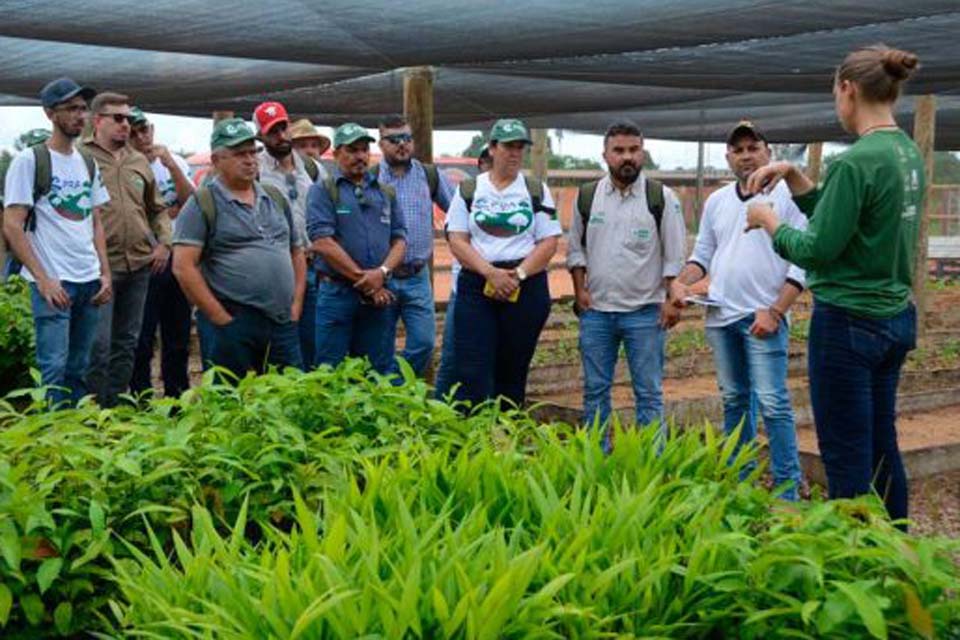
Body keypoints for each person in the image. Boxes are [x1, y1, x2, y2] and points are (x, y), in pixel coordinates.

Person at [745, 46, 924, 523]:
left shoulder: (855, 161)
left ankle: (854, 555)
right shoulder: (906, 152)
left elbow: (816, 249)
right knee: (881, 445)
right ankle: (895, 546)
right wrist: (795, 176)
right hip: (893, 316)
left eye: (835, 94)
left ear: (848, 89)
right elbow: (847, 218)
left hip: (848, 324)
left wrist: (767, 220)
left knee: (846, 458)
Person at [671, 121, 805, 500]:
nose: (746, 156)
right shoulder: (717, 201)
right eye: (738, 150)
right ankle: (740, 481)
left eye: (753, 148)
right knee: (734, 399)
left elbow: (802, 261)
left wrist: (776, 311)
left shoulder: (790, 198)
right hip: (721, 316)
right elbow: (703, 255)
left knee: (773, 403)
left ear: (768, 153)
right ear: (728, 157)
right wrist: (681, 282)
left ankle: (787, 490)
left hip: (764, 316)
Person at [566, 121, 685, 439]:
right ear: (605, 155)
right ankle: (596, 455)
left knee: (648, 394)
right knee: (594, 391)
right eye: (618, 150)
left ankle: (651, 459)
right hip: (597, 314)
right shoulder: (587, 197)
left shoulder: (660, 198)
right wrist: (580, 291)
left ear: (643, 153)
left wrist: (672, 301)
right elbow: (575, 250)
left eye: (634, 149)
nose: (627, 157)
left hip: (645, 314)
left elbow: (674, 257)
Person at [2, 78, 112, 406]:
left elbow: (95, 220)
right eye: (71, 109)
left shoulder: (87, 162)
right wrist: (43, 278)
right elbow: (12, 225)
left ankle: (73, 428)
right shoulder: (30, 160)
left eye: (83, 109)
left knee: (79, 367)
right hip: (55, 282)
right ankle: (52, 431)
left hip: (88, 279)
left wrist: (104, 272)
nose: (80, 116)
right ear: (50, 113)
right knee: (54, 367)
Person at [172, 118, 306, 377]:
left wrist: (296, 306)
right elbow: (183, 266)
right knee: (230, 395)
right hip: (233, 320)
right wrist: (219, 317)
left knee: (290, 393)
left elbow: (296, 251)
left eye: (252, 152)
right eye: (239, 154)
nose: (249, 160)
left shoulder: (274, 197)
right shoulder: (203, 202)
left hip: (281, 322)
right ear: (216, 160)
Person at [447, 118, 560, 407]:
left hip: (524, 283)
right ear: (492, 148)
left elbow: (548, 241)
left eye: (520, 147)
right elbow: (457, 239)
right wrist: (489, 273)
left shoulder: (536, 190)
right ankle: (472, 427)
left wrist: (517, 275)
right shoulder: (470, 189)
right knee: (471, 367)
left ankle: (508, 426)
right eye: (509, 146)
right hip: (478, 283)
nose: (515, 153)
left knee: (513, 368)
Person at [82, 92, 170, 407]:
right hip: (99, 267)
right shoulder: (82, 157)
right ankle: (93, 414)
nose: (126, 125)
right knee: (98, 346)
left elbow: (157, 209)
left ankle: (117, 411)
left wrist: (164, 242)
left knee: (127, 343)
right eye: (118, 118)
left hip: (139, 266)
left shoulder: (138, 161)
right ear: (98, 121)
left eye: (128, 119)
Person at [306, 123, 406, 374]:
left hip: (379, 297)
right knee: (330, 371)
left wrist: (382, 273)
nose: (360, 156)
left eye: (364, 150)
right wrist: (367, 282)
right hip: (337, 294)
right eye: (352, 150)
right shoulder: (323, 191)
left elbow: (400, 240)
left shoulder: (385, 193)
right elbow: (322, 242)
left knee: (376, 371)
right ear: (336, 154)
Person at [377, 114, 454, 376]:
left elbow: (457, 211)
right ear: (381, 143)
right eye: (394, 139)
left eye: (407, 138)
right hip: (383, 277)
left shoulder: (428, 175)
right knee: (380, 347)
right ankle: (389, 391)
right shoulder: (372, 178)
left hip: (417, 276)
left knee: (424, 343)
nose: (402, 144)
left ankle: (394, 384)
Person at [128, 108, 195, 398]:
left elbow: (190, 201)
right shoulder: (128, 167)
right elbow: (137, 215)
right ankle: (140, 397)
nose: (141, 137)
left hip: (177, 257)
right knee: (142, 338)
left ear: (152, 129)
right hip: (144, 259)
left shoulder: (174, 161)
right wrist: (170, 211)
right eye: (134, 132)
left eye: (144, 130)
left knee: (178, 335)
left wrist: (172, 167)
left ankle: (176, 396)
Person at [253, 102, 323, 365]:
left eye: (284, 128)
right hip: (276, 270)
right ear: (260, 136)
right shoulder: (255, 170)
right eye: (273, 131)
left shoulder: (312, 168)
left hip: (313, 267)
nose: (282, 136)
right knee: (276, 344)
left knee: (312, 341)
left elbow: (327, 210)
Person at [435, 150, 490, 398]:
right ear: (482, 164)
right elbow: (456, 241)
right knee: (453, 356)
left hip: (505, 289)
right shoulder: (467, 194)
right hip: (466, 290)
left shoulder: (520, 195)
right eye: (491, 161)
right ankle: (441, 407)